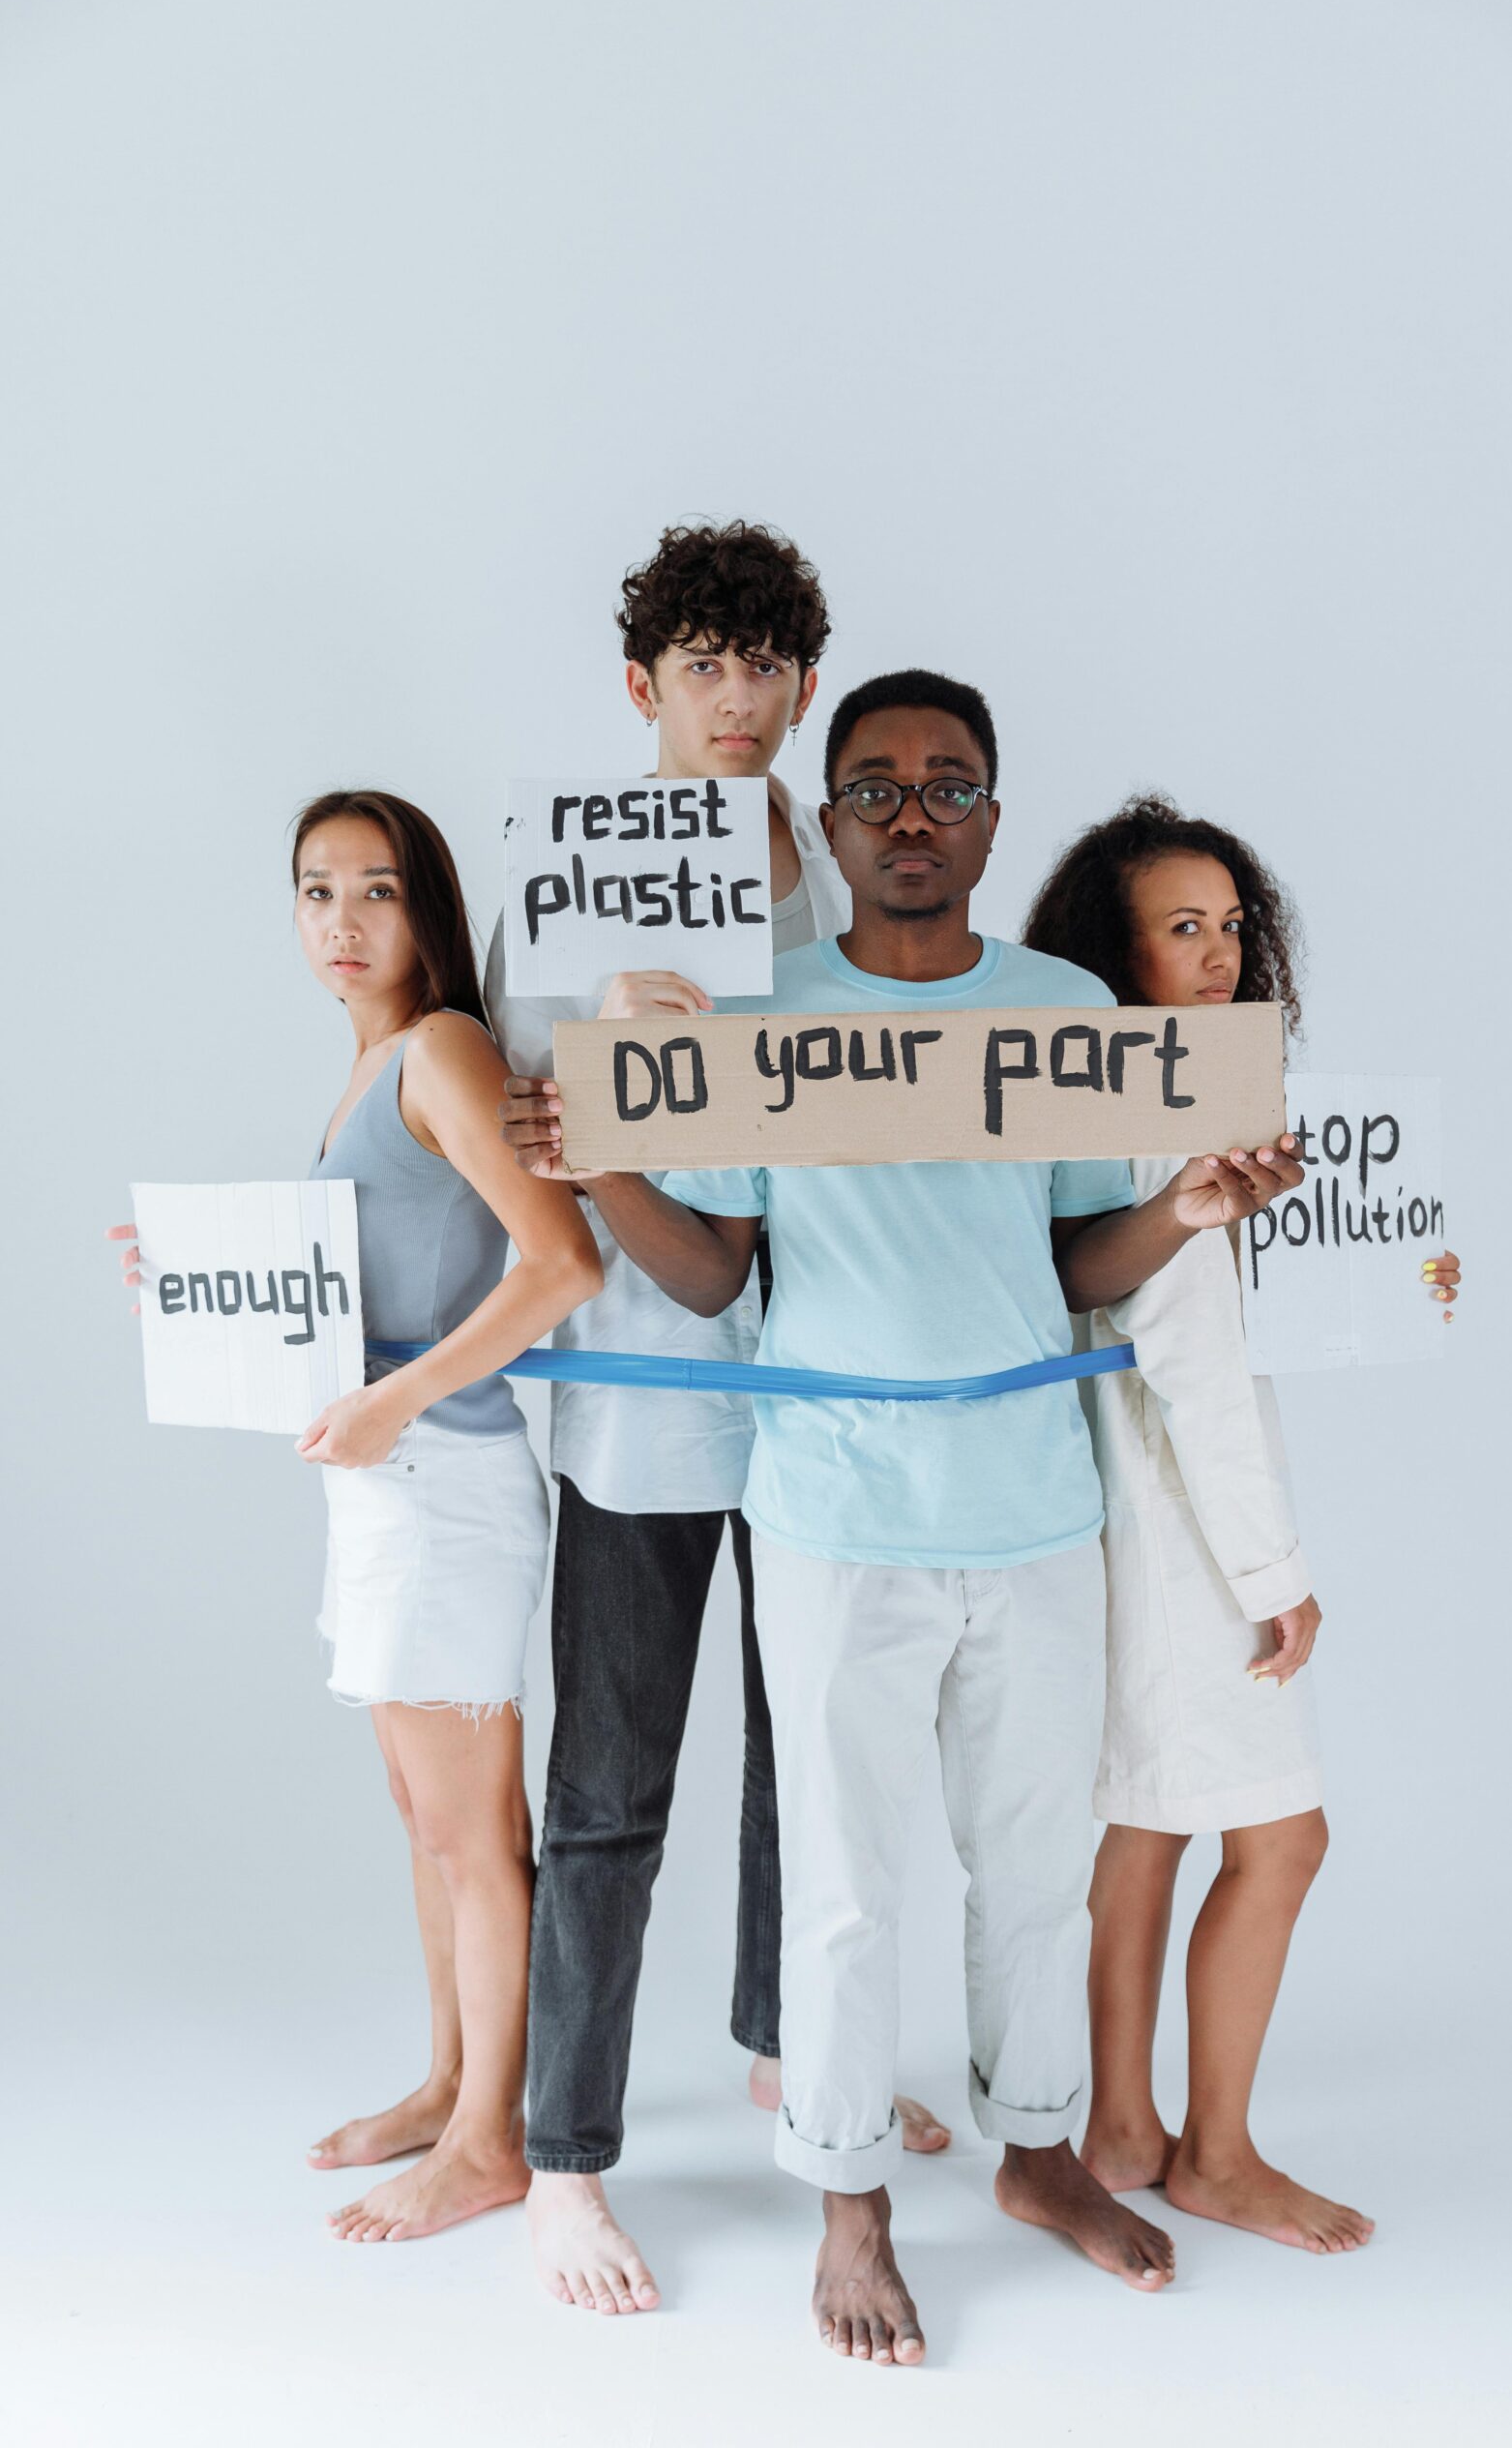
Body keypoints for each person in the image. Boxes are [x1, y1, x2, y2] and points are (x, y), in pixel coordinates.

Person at [502, 672, 1308, 2364]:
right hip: (835, 1523)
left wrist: (1182, 1206)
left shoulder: (1063, 1008)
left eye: (949, 787)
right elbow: (718, 1278)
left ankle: (1036, 2157)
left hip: (1029, 1521)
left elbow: (1079, 1261)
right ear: (838, 818)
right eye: (875, 788)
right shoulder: (763, 1018)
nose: (912, 814)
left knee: (1027, 1871)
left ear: (994, 822)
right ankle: (850, 2202)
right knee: (852, 1884)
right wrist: (603, 1163)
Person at [486, 524, 948, 2321]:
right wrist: (601, 1034)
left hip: (826, 1384)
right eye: (703, 668)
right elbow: (517, 1120)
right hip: (646, 1399)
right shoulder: (574, 879)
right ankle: (565, 2163)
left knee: (806, 1755)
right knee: (609, 1787)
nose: (738, 699)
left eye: (766, 668)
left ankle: (780, 2044)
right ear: (642, 689)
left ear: (804, 687)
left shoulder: (846, 880)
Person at [108, 790, 603, 2243]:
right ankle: (450, 2082)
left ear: (426, 911)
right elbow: (365, 1291)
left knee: (471, 1831)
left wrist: (394, 1408)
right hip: (386, 1485)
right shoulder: (369, 1066)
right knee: (423, 1817)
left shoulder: (441, 1049)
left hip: (443, 1482)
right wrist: (199, 1285)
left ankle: (491, 2140)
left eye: (374, 890)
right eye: (316, 891)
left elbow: (559, 1263)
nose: (341, 920)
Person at [1023, 793, 1460, 2254]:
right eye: (1181, 928)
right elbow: (1195, 1370)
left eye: (1230, 927)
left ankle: (1125, 2126)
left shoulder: (1100, 1101)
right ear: (1111, 949)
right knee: (1282, 1839)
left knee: (1142, 1823)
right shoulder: (1169, 1107)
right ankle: (1217, 2151)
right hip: (1183, 1531)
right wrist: (1278, 1574)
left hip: (1110, 1520)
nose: (1216, 957)